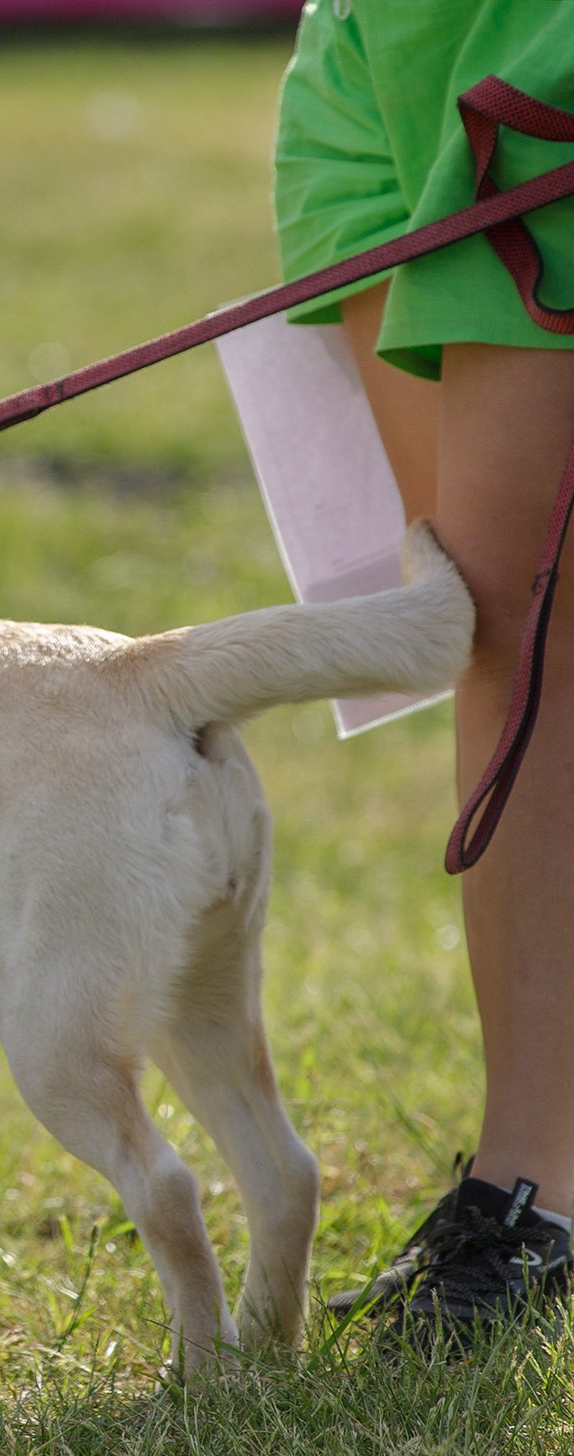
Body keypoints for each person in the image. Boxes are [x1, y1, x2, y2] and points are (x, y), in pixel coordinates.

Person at [275, 0, 574, 1334]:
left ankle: (533, 1188)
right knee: (497, 630)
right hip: (369, 47)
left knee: (528, 624)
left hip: (541, 36)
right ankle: (535, 1178)